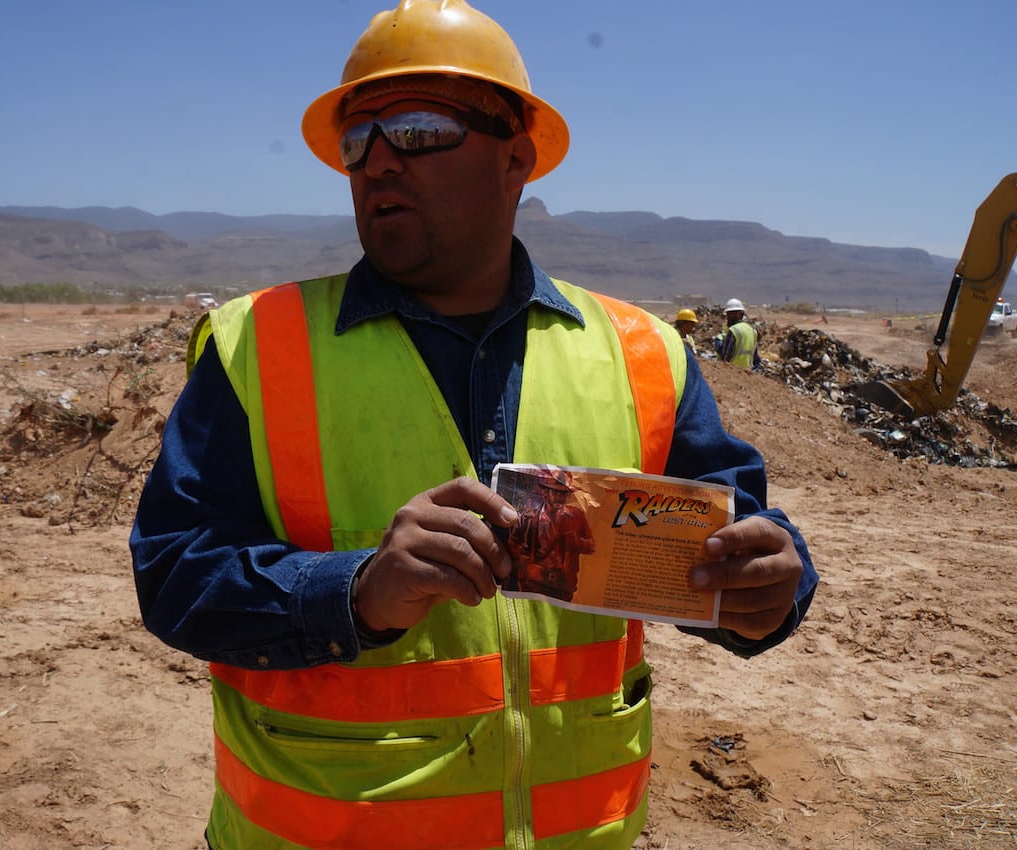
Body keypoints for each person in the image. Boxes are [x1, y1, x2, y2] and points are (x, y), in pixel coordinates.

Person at [129, 2, 818, 848]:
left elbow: (733, 537)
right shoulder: (256, 348)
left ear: (516, 159)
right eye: (359, 142)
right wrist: (356, 591)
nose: (378, 163)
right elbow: (172, 576)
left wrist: (772, 588)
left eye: (416, 131)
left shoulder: (643, 354)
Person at [505, 470, 595, 600]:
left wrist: (577, 542)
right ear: (545, 492)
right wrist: (527, 567)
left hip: (563, 586)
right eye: (556, 492)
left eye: (564, 493)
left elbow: (592, 547)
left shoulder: (577, 516)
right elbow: (512, 546)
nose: (561, 497)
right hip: (531, 584)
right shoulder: (527, 518)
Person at [716, 297, 760, 368]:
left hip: (733, 372)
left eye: (729, 314)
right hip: (747, 374)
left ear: (736, 314)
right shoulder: (752, 331)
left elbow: (725, 357)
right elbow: (755, 358)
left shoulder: (734, 330)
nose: (727, 318)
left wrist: (718, 344)